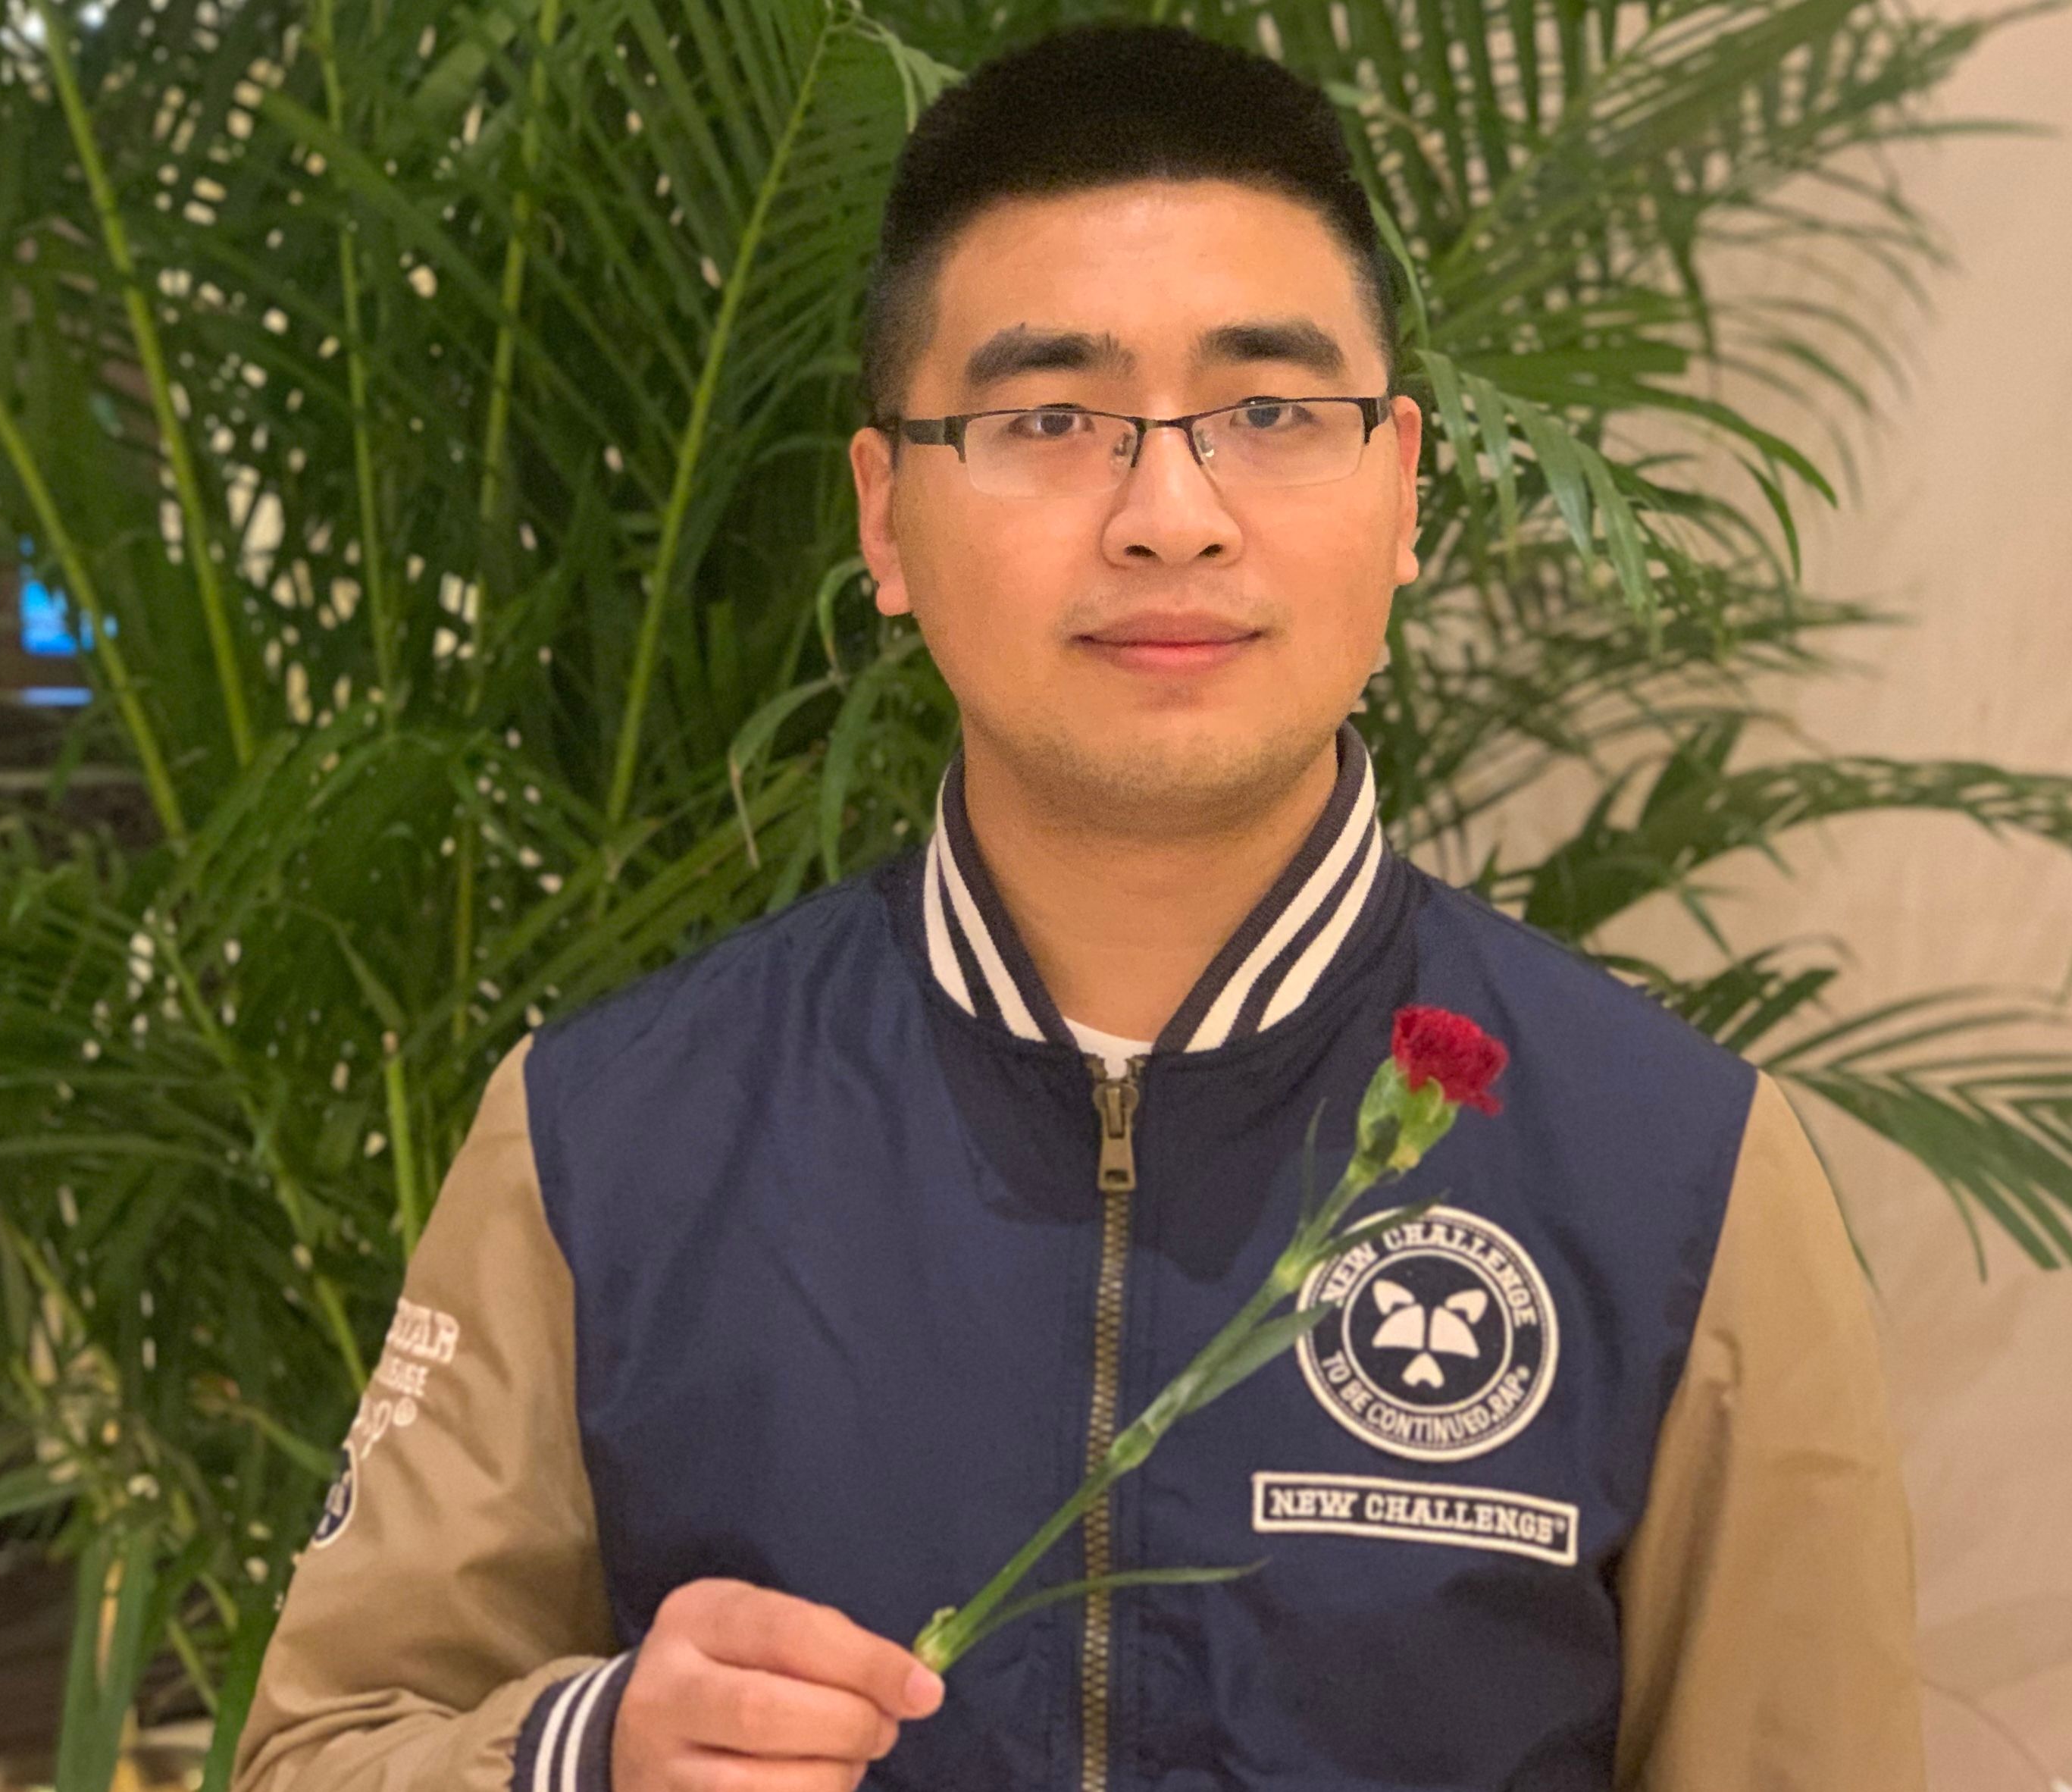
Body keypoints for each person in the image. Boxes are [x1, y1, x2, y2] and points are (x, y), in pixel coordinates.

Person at [233, 20, 1925, 1792]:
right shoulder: (608, 1138)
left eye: (1269, 414)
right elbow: (322, 1750)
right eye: (1047, 420)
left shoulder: (1676, 1172)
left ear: (1401, 490)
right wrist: (582, 1761)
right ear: (886, 516)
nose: (1169, 516)